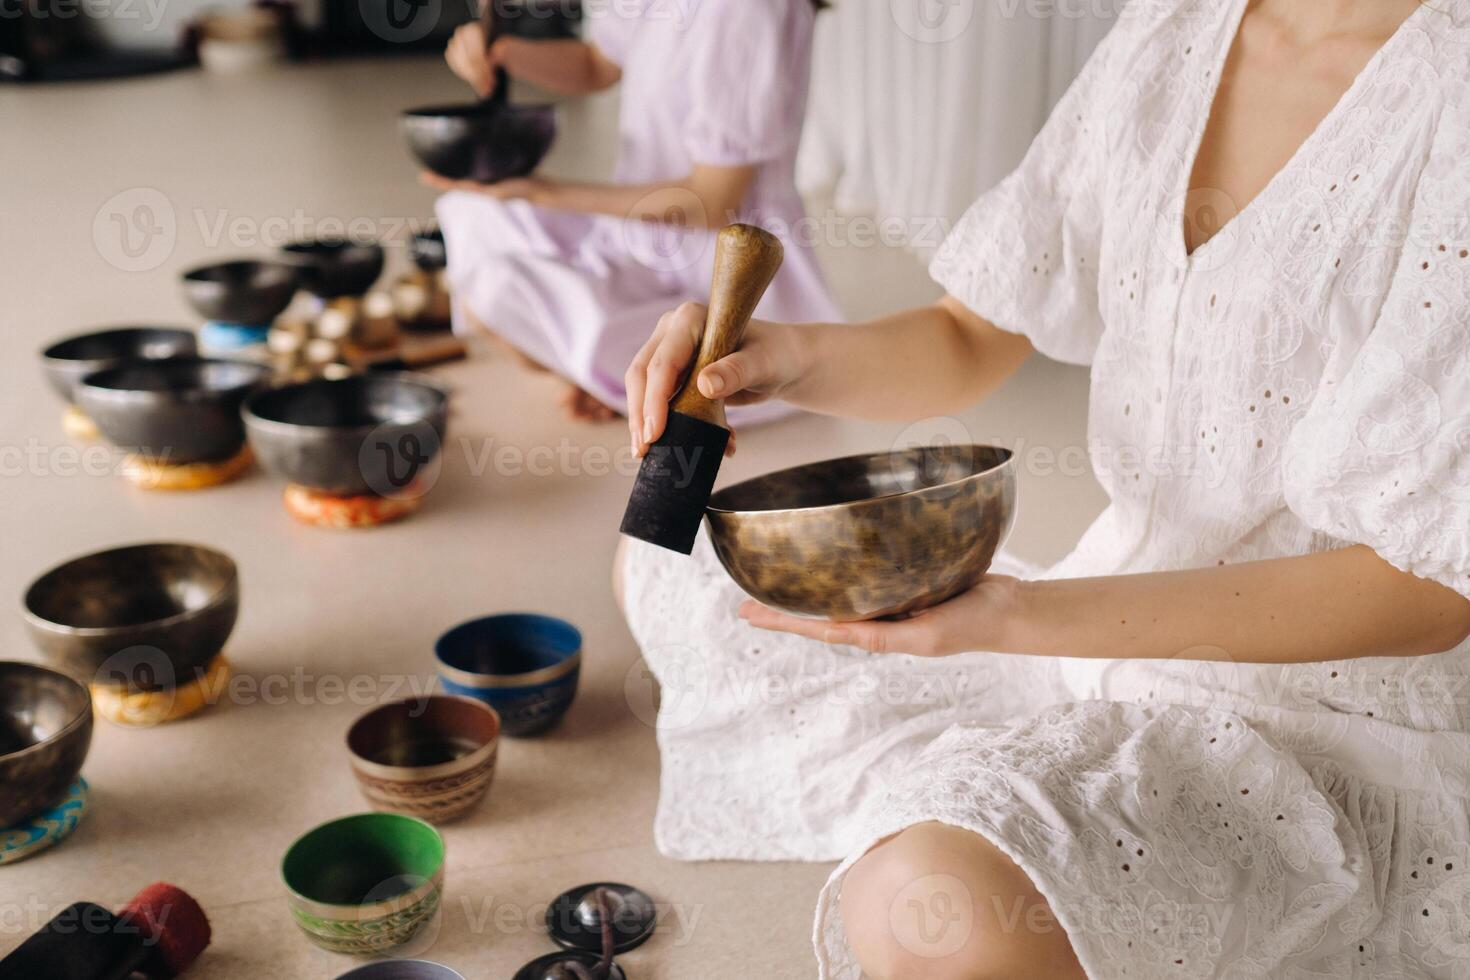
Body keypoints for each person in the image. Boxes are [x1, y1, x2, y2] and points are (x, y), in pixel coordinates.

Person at [617, 0, 1470, 976]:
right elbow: (967, 335)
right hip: (1092, 632)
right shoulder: (1173, 27)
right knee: (673, 571)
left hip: (1328, 719)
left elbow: (1429, 592)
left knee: (925, 905)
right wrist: (782, 357)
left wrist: (1018, 617)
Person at [427, 0, 841, 422]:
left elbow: (713, 201)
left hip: (727, 276)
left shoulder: (746, 12)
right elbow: (596, 64)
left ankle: (619, 381)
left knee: (496, 287)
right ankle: (609, 374)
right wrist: (503, 53)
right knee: (472, 212)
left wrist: (545, 193)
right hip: (640, 236)